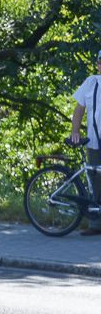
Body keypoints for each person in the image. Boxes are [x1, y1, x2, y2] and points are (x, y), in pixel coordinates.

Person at [69, 49, 101, 235]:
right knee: (96, 181)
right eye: (99, 62)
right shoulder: (91, 82)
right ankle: (96, 225)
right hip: (94, 141)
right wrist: (75, 131)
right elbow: (79, 109)